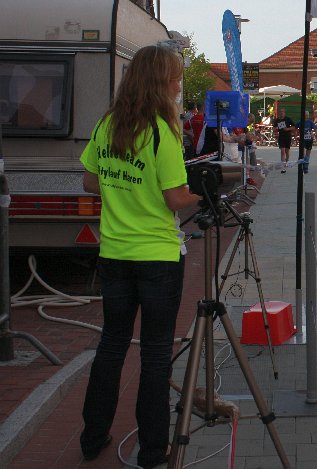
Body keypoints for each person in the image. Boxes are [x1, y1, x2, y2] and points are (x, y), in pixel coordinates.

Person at [78, 45, 201, 468]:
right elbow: (175, 199)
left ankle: (92, 437)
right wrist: (206, 191)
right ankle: (151, 450)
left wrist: (124, 191)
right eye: (176, 78)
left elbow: (89, 182)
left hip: (114, 253)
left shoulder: (107, 124)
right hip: (157, 258)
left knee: (111, 345)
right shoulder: (162, 133)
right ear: (161, 82)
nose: (179, 86)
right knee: (155, 353)